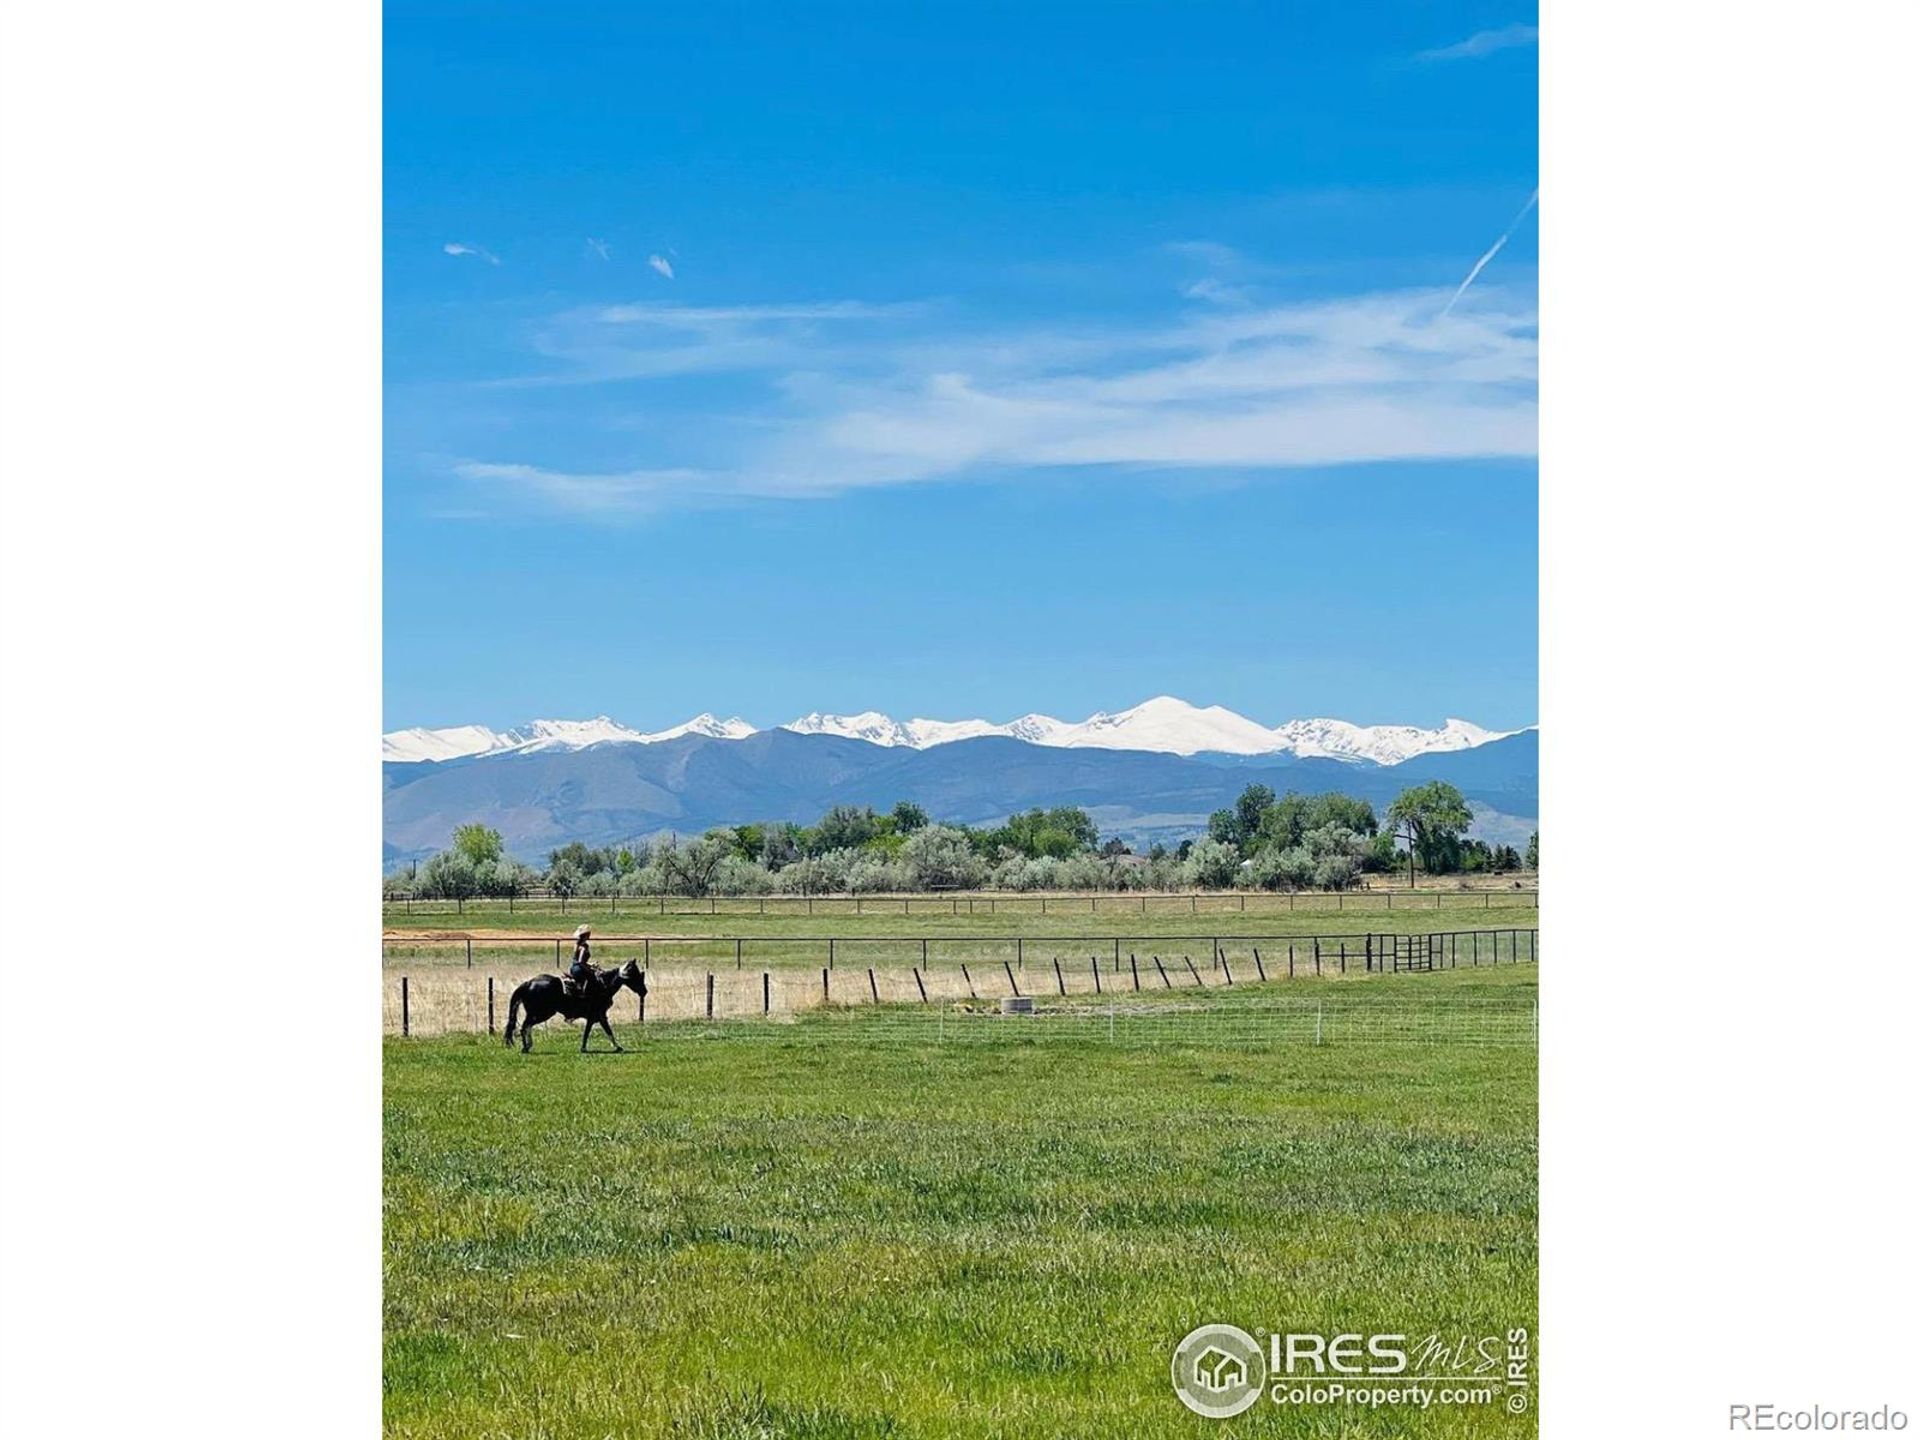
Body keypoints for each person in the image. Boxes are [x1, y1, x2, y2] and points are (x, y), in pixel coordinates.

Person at [564, 924, 593, 998]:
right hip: (579, 969)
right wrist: (589, 967)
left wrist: (589, 965)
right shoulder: (584, 947)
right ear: (586, 935)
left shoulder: (576, 944)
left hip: (573, 967)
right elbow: (581, 962)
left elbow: (577, 960)